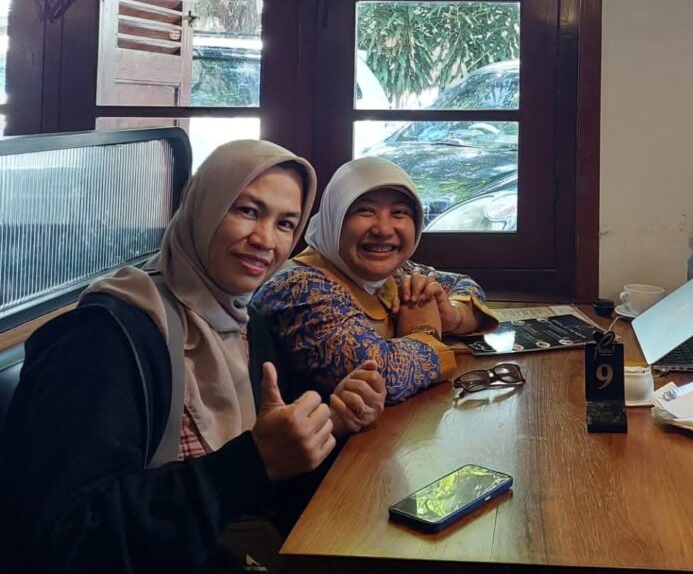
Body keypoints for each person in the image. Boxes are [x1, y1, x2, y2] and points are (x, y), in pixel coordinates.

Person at [1, 140, 386, 574]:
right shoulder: (102, 339)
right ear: (204, 207)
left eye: (285, 223)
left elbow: (271, 484)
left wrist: (333, 423)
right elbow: (70, 536)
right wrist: (252, 461)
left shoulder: (246, 324)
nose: (265, 240)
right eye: (247, 211)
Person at [254, 156, 498, 403]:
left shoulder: (395, 274)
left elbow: (463, 284)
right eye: (365, 211)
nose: (383, 229)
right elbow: (381, 377)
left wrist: (453, 315)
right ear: (334, 216)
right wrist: (424, 330)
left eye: (399, 213)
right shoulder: (299, 288)